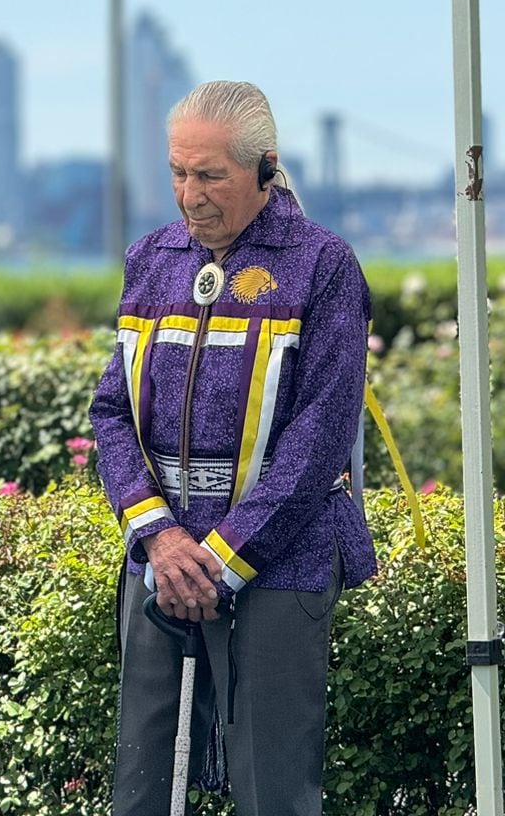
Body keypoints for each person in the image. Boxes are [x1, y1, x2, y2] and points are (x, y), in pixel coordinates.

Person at [89, 80, 377, 816]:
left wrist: (219, 559)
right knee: (141, 790)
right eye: (178, 173)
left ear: (265, 167)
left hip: (280, 560)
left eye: (210, 175)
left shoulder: (324, 265)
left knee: (271, 791)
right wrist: (158, 538)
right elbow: (112, 412)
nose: (190, 195)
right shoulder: (149, 259)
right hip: (161, 560)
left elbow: (319, 439)